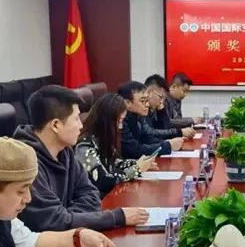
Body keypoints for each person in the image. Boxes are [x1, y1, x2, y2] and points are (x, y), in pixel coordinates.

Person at [14, 85, 149, 231]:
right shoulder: (25, 162)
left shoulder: (65, 151)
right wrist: (116, 217)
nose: (80, 125)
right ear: (56, 125)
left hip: (71, 235)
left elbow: (91, 194)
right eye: (76, 118)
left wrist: (69, 218)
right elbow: (53, 221)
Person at [76, 93, 158, 197]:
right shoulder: (85, 145)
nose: (120, 127)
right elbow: (103, 180)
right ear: (106, 121)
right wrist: (136, 169)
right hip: (95, 201)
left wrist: (138, 163)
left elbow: (115, 163)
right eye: (119, 121)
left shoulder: (103, 138)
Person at [118, 80, 183, 159]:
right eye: (142, 101)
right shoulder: (120, 120)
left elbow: (147, 138)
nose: (147, 105)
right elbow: (133, 150)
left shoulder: (137, 115)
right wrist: (167, 146)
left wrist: (169, 143)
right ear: (127, 103)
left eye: (147, 100)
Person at [144, 74, 196, 139]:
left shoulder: (156, 106)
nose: (162, 101)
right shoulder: (142, 110)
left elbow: (165, 128)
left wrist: (161, 109)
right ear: (149, 93)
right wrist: (179, 133)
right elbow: (150, 134)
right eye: (161, 97)